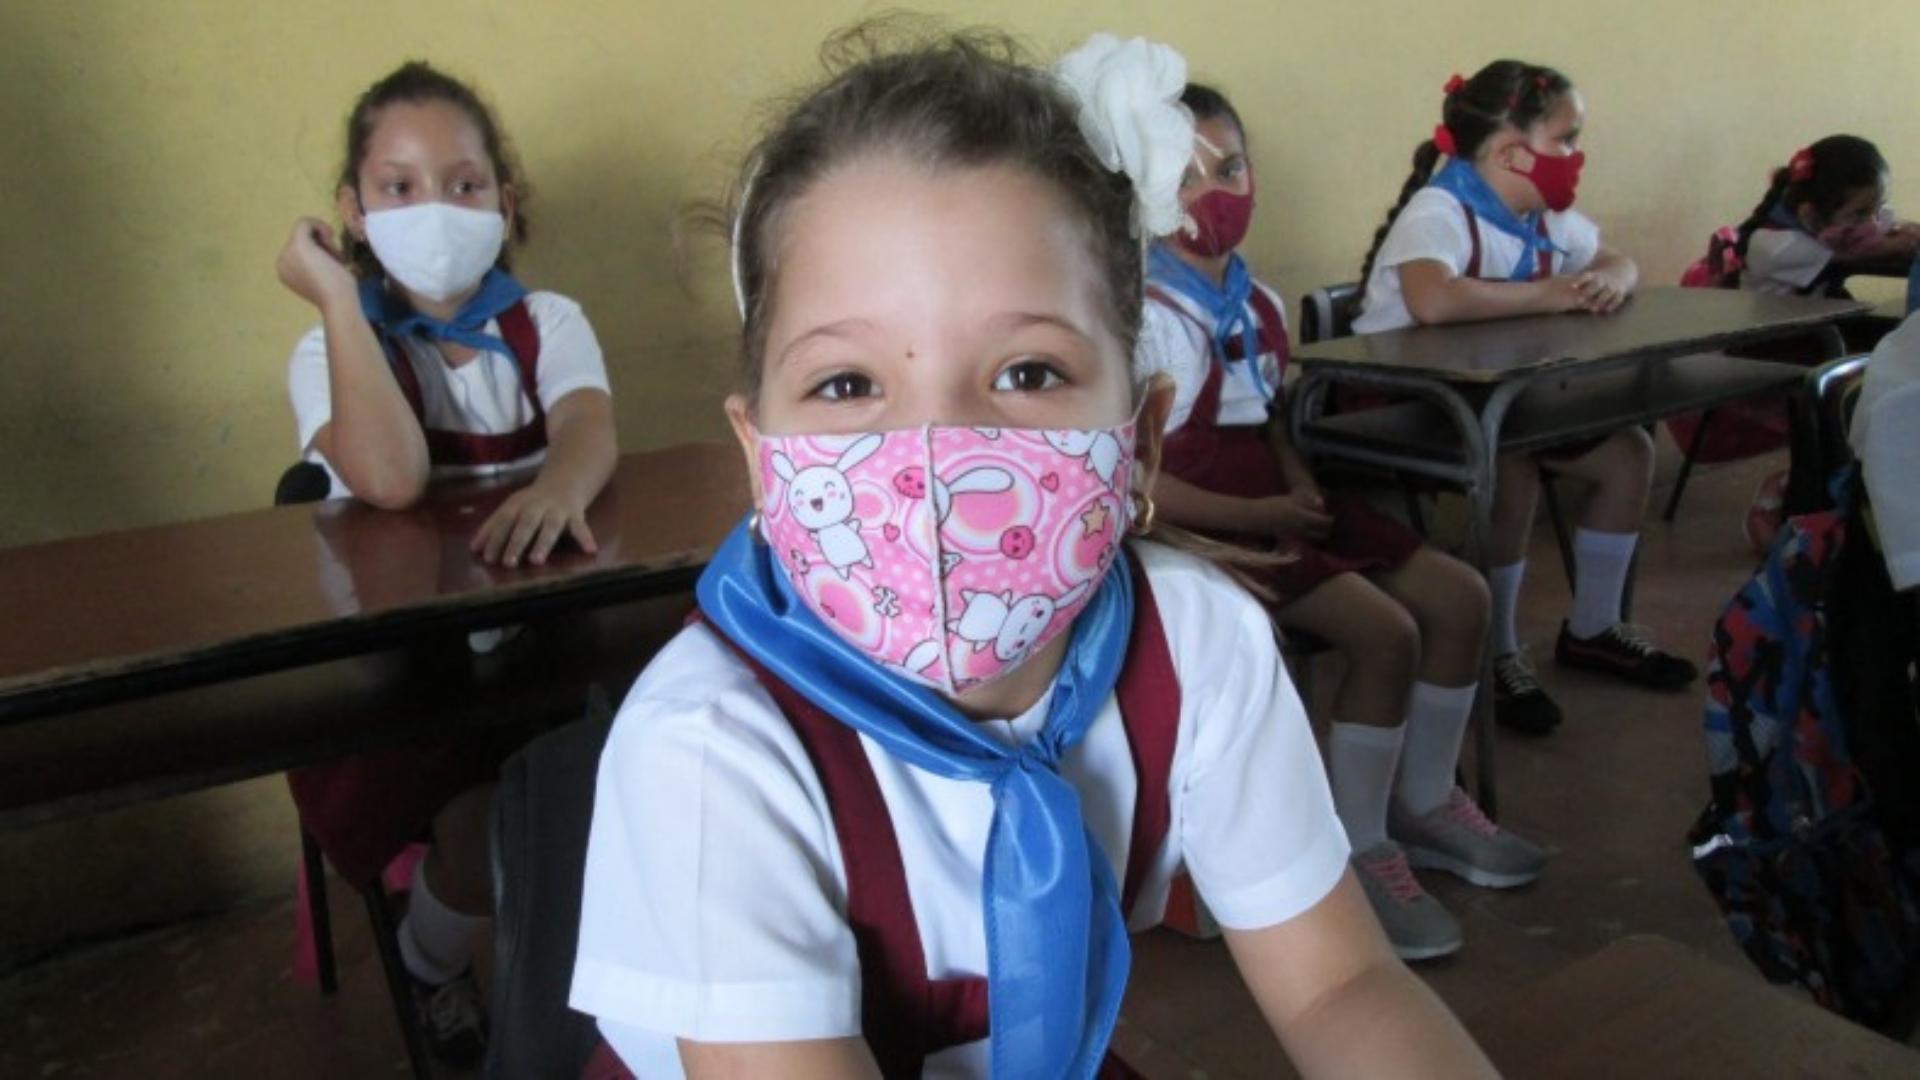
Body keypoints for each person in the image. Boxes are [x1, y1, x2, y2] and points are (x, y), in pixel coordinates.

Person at [570, 26, 1493, 1079]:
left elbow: (1342, 984)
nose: (936, 455)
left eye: (1028, 371)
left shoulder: (1197, 647)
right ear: (759, 453)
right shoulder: (711, 745)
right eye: (846, 385)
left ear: (1140, 436)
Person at [1139, 82, 1532, 961]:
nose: (1218, 193)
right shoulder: (1144, 318)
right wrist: (1263, 510)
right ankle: (1355, 848)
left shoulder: (1260, 302)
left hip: (1273, 504)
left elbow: (1270, 417)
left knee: (1459, 596)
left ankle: (1423, 800)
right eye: (1185, 176)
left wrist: (1296, 479)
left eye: (1231, 167)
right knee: (1386, 633)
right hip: (1195, 528)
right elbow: (1142, 483)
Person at [275, 59, 617, 1067]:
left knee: (600, 782)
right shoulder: (330, 352)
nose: (436, 208)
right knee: (482, 830)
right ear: (351, 209)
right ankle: (428, 964)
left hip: (535, 651)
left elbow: (590, 426)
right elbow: (386, 475)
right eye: (398, 187)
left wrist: (560, 485)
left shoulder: (544, 323)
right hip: (399, 679)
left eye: (465, 184)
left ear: (504, 202)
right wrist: (340, 300)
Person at [1353, 59, 1697, 737]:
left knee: (1626, 452)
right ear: (1513, 153)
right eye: (1566, 139)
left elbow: (1616, 261)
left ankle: (1595, 626)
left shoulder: (1542, 214)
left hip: (1501, 398)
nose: (1575, 156)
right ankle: (1498, 648)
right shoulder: (1442, 209)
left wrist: (1612, 280)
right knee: (1507, 461)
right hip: (1405, 403)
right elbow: (1432, 299)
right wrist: (1554, 292)